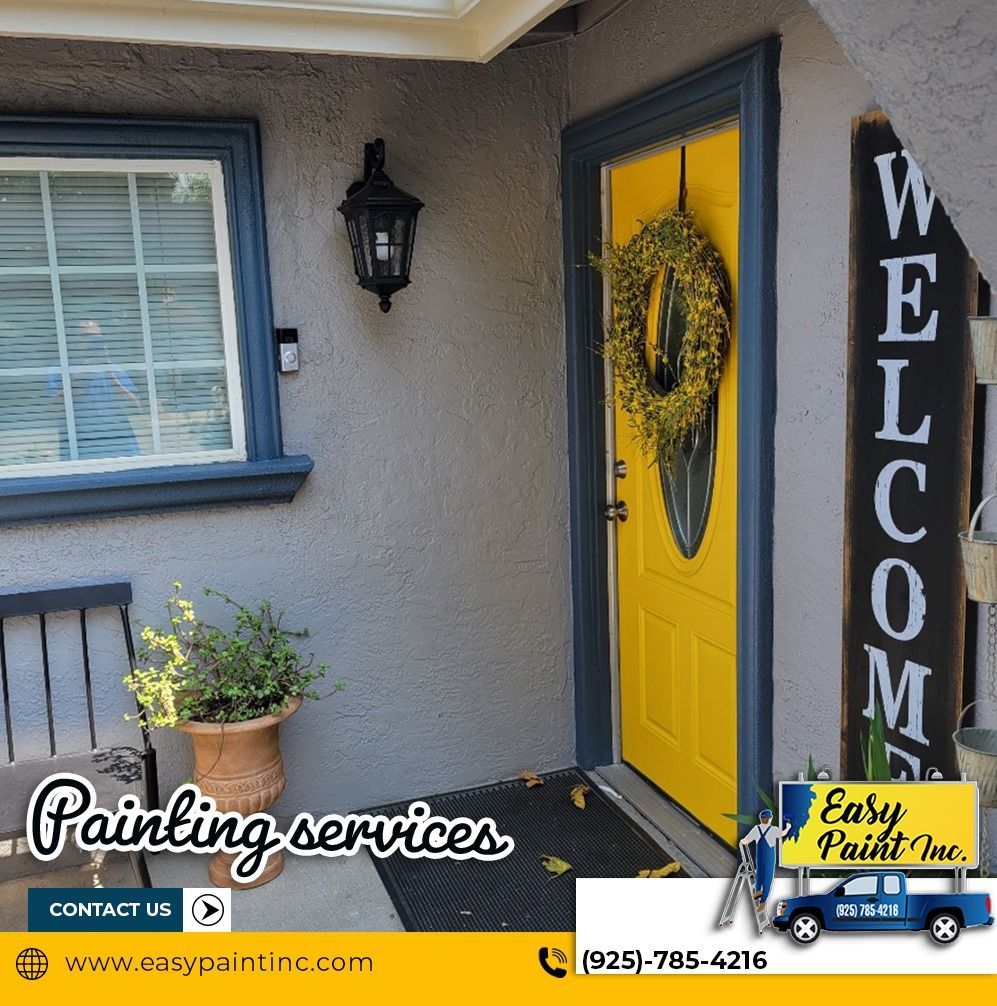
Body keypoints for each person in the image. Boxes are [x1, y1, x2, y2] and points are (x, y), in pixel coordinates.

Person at [47, 317, 142, 459]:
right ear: (73, 340)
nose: (92, 341)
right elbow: (52, 411)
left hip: (120, 449)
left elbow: (136, 408)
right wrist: (80, 377)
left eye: (97, 337)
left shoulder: (114, 370)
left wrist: (109, 373)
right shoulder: (59, 371)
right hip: (80, 451)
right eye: (86, 336)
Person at [739, 809, 790, 910]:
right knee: (767, 878)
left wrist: (741, 842)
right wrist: (788, 827)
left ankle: (758, 891)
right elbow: (783, 833)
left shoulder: (756, 829)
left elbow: (746, 840)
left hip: (759, 856)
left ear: (761, 819)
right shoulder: (773, 830)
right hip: (769, 857)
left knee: (759, 875)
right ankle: (763, 902)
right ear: (770, 819)